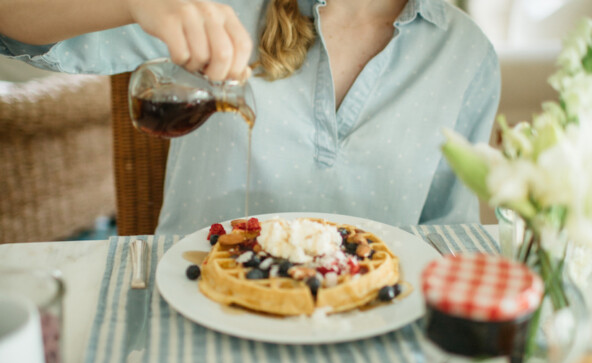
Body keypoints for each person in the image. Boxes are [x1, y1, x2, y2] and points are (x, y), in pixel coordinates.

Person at [0, 0, 500, 235]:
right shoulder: (222, 5)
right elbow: (13, 20)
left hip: (374, 338)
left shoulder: (465, 54)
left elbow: (447, 237)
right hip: (194, 315)